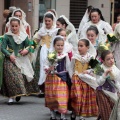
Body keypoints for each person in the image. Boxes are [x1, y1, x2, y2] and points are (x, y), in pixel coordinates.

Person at [1, 17, 39, 105]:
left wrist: (27, 50)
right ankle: (11, 97)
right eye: (12, 26)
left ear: (19, 26)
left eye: (16, 26)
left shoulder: (24, 36)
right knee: (11, 77)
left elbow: (31, 46)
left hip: (21, 58)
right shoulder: (7, 36)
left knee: (20, 77)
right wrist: (9, 55)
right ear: (10, 26)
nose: (14, 28)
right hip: (10, 59)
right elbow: (2, 48)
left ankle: (18, 93)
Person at [70, 39, 98, 120]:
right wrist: (72, 76)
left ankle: (82, 114)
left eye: (81, 46)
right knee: (77, 95)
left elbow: (96, 69)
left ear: (87, 47)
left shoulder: (91, 57)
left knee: (85, 97)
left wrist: (88, 71)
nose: (79, 48)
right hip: (77, 78)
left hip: (86, 80)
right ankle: (74, 111)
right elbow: (70, 68)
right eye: (78, 46)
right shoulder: (75, 57)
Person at [44, 36, 71, 120]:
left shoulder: (65, 55)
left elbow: (68, 67)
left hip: (62, 78)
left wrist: (70, 76)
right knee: (52, 96)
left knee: (62, 96)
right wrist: (49, 68)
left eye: (61, 45)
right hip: (51, 78)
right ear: (54, 45)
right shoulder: (51, 55)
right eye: (58, 45)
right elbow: (45, 65)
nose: (60, 47)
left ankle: (62, 115)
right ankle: (52, 114)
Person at [33, 11, 58, 94]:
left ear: (52, 21)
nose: (47, 22)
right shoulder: (41, 30)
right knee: (42, 68)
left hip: (53, 51)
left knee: (52, 68)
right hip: (43, 50)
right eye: (46, 21)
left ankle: (51, 87)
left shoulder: (56, 30)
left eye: (49, 21)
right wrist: (29, 49)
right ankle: (42, 88)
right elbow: (35, 41)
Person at [96, 50, 120, 120]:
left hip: (113, 93)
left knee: (114, 112)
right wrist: (105, 75)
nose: (111, 60)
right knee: (106, 112)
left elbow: (117, 82)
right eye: (108, 59)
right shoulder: (99, 68)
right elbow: (99, 82)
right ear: (103, 61)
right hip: (102, 92)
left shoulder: (115, 68)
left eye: (112, 58)